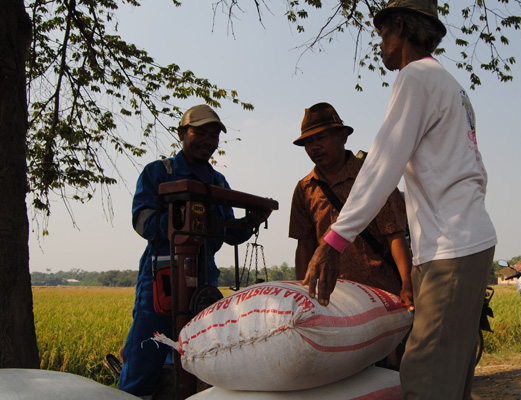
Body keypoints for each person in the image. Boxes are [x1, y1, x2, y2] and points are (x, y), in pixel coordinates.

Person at [303, 2, 497, 399]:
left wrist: (336, 239)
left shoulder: (416, 78)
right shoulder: (450, 85)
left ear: (401, 29)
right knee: (450, 378)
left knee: (425, 376)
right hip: (460, 243)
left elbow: (381, 165)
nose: (379, 45)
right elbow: (473, 174)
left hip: (452, 248)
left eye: (381, 35)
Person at [119, 104, 265, 398]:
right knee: (145, 354)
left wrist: (251, 220)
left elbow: (228, 231)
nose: (209, 141)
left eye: (214, 135)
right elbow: (141, 219)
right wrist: (180, 223)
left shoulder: (217, 182)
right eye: (201, 132)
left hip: (204, 281)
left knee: (203, 357)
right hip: (162, 277)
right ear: (182, 133)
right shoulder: (159, 173)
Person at [289, 102, 413, 308]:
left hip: (381, 292)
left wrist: (408, 284)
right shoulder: (305, 189)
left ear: (343, 137)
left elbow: (395, 234)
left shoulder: (372, 175)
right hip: (332, 299)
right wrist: (302, 293)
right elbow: (304, 245)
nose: (315, 147)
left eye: (321, 138)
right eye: (309, 142)